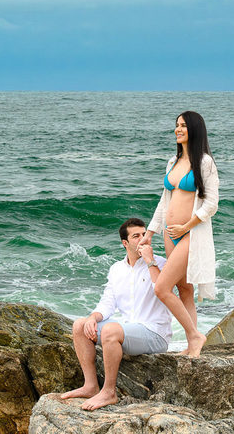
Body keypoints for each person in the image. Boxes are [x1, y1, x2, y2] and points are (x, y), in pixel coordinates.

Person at [60, 218, 172, 411]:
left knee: (111, 330)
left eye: (144, 234)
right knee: (80, 325)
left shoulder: (161, 263)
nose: (142, 239)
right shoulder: (116, 269)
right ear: (125, 243)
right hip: (129, 330)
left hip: (155, 333)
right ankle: (90, 386)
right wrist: (93, 318)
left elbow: (162, 292)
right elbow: (108, 302)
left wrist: (150, 261)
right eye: (136, 236)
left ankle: (109, 392)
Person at [144, 110, 217, 358]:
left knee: (162, 288)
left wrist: (186, 227)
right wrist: (151, 232)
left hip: (190, 234)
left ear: (194, 129)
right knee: (184, 290)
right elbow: (164, 203)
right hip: (169, 234)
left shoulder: (205, 162)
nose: (178, 129)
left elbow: (211, 204)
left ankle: (196, 335)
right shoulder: (172, 162)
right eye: (176, 125)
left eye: (183, 125)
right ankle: (192, 343)